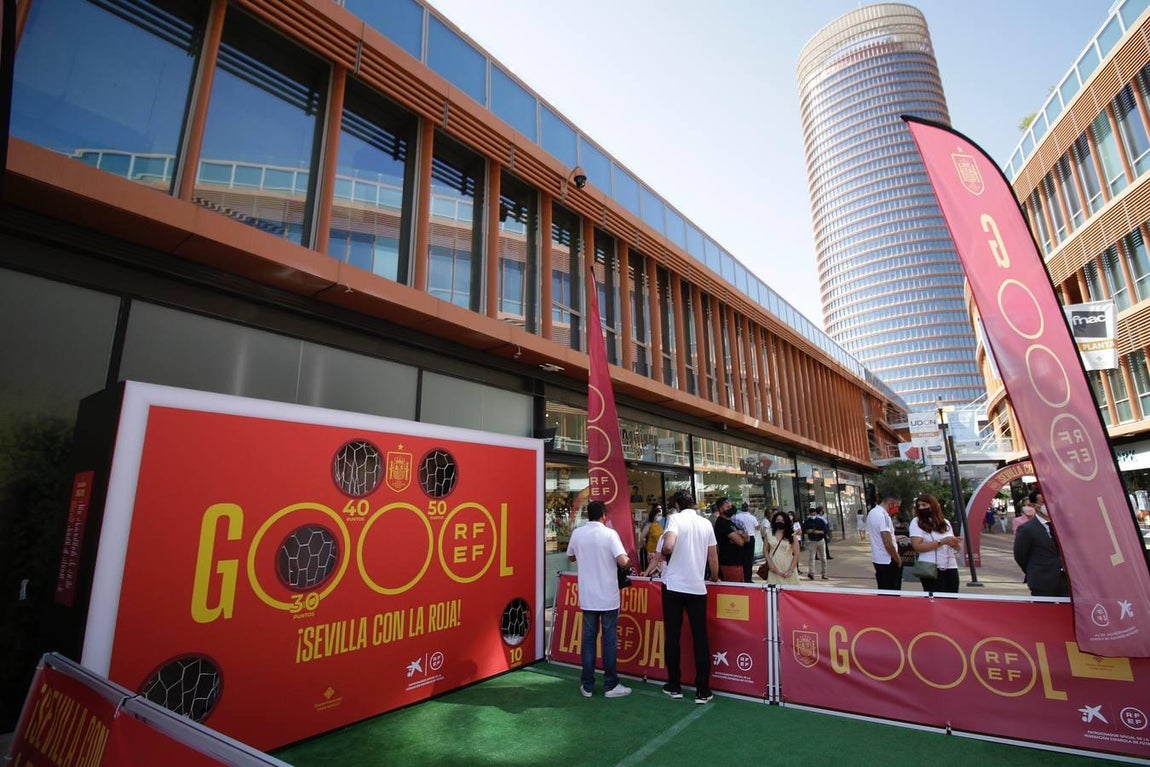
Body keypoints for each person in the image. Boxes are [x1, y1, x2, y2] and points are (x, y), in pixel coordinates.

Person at [566, 501, 632, 698]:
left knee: (588, 639)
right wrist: (629, 560)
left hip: (588, 596)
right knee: (609, 639)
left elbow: (570, 557)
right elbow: (623, 561)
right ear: (604, 515)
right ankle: (610, 685)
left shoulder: (578, 534)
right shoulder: (610, 534)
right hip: (608, 596)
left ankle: (587, 685)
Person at [660, 488, 719, 705]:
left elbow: (668, 545)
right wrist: (714, 576)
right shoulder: (705, 523)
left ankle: (674, 685)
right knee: (700, 637)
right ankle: (703, 689)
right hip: (697, 587)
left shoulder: (675, 519)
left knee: (672, 636)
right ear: (693, 503)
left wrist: (665, 552)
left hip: (674, 586)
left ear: (677, 505)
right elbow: (713, 557)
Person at [1013, 489, 1069, 597]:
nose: (1049, 505)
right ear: (1034, 505)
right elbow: (1020, 556)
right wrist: (1034, 570)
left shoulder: (1062, 525)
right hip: (1042, 581)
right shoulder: (1027, 529)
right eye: (1043, 502)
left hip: (1066, 581)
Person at [908, 494, 962, 593]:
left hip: (950, 566)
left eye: (924, 505)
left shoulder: (945, 523)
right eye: (919, 505)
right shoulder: (916, 522)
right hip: (930, 567)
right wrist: (942, 541)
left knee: (952, 596)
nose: (921, 508)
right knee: (936, 597)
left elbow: (956, 548)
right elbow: (917, 546)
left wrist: (954, 543)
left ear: (933, 505)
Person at [867, 493, 903, 590]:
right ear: (890, 503)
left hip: (878, 558)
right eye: (897, 506)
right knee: (892, 590)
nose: (897, 509)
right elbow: (887, 543)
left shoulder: (873, 512)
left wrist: (895, 537)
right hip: (888, 560)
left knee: (883, 587)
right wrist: (898, 559)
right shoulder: (883, 516)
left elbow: (879, 536)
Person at [713, 496, 747, 582]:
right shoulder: (722, 523)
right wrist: (740, 535)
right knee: (734, 588)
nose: (731, 508)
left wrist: (740, 536)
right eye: (728, 507)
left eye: (731, 506)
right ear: (721, 509)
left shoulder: (731, 522)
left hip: (738, 563)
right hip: (729, 564)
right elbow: (740, 542)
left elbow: (747, 538)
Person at [763, 510, 801, 585]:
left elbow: (796, 553)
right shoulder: (768, 533)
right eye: (778, 520)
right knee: (774, 589)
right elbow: (765, 550)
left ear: (786, 521)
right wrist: (770, 564)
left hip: (788, 566)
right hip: (773, 567)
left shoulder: (791, 534)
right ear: (774, 521)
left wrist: (790, 570)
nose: (780, 522)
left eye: (782, 520)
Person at [733, 502, 760, 582]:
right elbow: (758, 527)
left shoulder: (737, 517)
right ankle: (748, 578)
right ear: (748, 508)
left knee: (740, 558)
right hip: (750, 537)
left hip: (739, 538)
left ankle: (741, 576)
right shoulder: (752, 517)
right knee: (749, 559)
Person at [801, 508, 829, 580]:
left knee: (823, 558)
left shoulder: (820, 521)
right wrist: (808, 531)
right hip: (812, 541)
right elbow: (803, 530)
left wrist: (819, 532)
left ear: (816, 513)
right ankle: (811, 573)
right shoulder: (807, 521)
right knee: (812, 558)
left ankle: (824, 574)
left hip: (820, 540)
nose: (813, 515)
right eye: (811, 514)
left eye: (814, 513)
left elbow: (825, 530)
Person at [638, 504, 663, 572]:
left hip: (659, 551)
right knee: (653, 571)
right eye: (658, 515)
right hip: (652, 552)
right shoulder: (649, 525)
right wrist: (645, 546)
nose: (660, 517)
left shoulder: (660, 525)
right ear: (654, 516)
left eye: (660, 515)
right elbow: (642, 537)